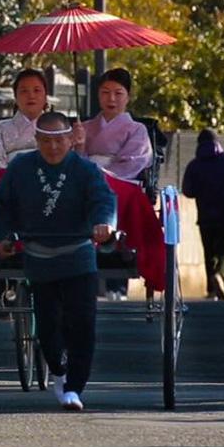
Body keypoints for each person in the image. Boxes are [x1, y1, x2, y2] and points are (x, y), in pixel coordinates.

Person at [0, 111, 117, 411]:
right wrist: (5, 236)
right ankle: (58, 371)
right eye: (45, 141)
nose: (53, 147)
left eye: (59, 140)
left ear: (70, 140)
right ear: (36, 140)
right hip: (39, 256)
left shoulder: (85, 170)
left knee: (83, 323)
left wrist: (103, 223)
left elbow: (104, 199)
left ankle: (74, 387)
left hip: (79, 255)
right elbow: (1, 204)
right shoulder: (21, 168)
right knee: (47, 326)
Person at [79, 67, 153, 300]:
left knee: (113, 197)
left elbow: (133, 162)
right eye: (105, 92)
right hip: (86, 182)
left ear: (128, 96)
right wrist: (79, 145)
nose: (111, 99)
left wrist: (100, 174)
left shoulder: (137, 129)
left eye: (118, 93)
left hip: (120, 182)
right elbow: (72, 163)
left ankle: (117, 272)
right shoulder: (86, 127)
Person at [182, 129, 224, 300]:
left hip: (204, 216)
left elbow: (187, 191)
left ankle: (211, 289)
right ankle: (220, 274)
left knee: (208, 252)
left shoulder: (194, 165)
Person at [0, 69, 51, 174]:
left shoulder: (56, 127)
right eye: (24, 91)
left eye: (37, 90)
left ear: (45, 97)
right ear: (16, 97)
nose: (31, 96)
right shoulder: (1, 128)